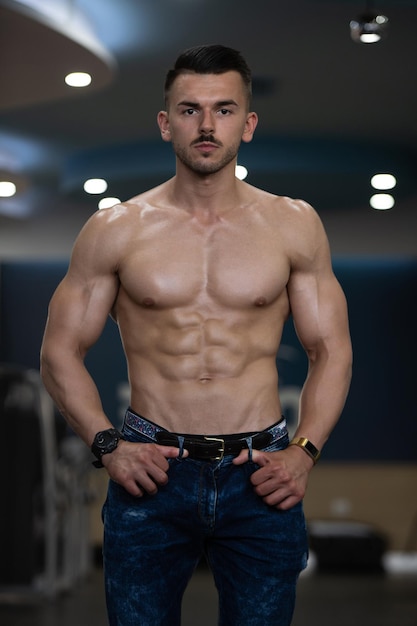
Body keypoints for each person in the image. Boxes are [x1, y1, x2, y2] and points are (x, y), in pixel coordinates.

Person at [40, 44, 352, 626]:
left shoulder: (293, 224)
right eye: (189, 110)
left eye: (224, 109)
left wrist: (305, 453)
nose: (207, 125)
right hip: (151, 470)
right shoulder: (115, 228)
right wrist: (107, 444)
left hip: (260, 473)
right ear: (165, 123)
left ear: (249, 124)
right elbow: (59, 350)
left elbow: (329, 349)